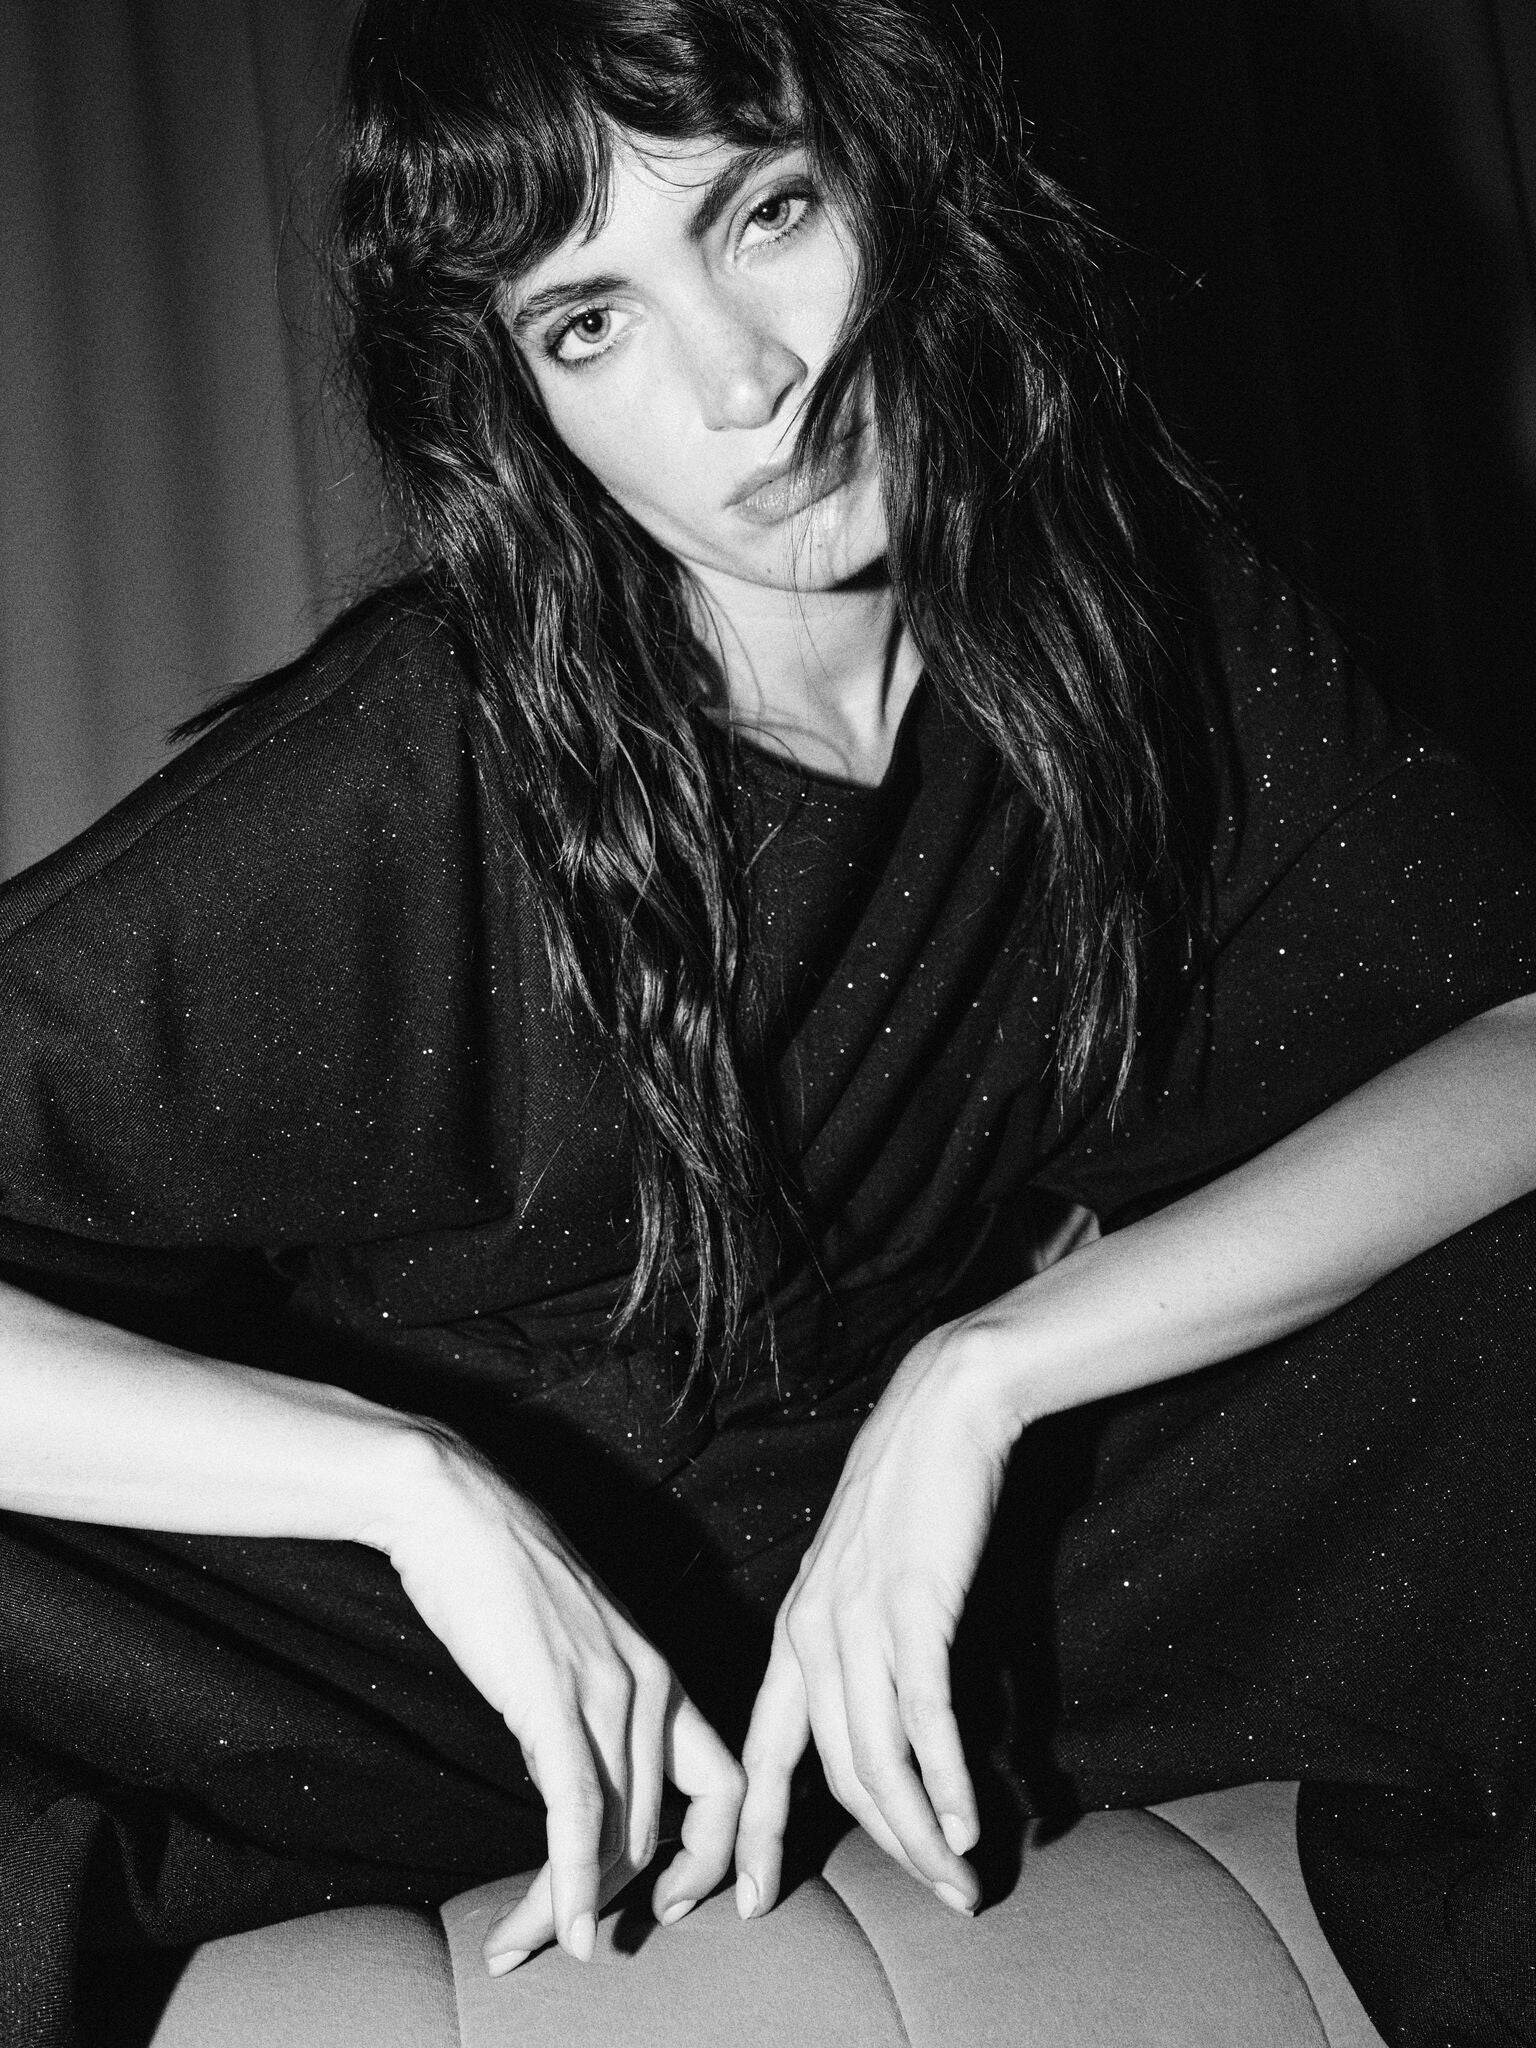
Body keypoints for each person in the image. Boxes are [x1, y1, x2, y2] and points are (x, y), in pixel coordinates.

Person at [1, 1, 1533, 2044]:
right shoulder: (411, 771)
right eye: (589, 323)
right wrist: (406, 1487)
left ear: (905, 177)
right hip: (424, 1670)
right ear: (517, 404)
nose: (740, 380)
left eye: (767, 212)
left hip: (928, 1605)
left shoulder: (1134, 623)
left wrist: (989, 1377)